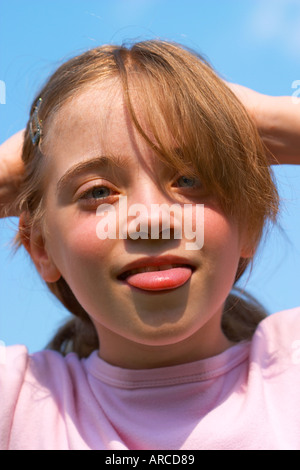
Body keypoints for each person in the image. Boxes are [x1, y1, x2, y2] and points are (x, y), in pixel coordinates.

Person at [0, 40, 299, 450]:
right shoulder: (19, 403)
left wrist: (257, 120)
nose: (152, 220)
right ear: (41, 248)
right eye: (97, 191)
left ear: (248, 220)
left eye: (189, 180)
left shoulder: (289, 369)